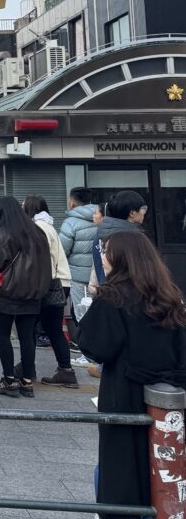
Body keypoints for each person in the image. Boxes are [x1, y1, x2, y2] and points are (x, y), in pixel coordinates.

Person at [79, 231, 186, 519]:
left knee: (123, 470)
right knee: (164, 468)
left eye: (107, 252)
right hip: (168, 399)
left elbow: (95, 346)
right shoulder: (169, 294)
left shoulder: (113, 296)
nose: (102, 256)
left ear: (121, 258)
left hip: (124, 394)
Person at [0, 196, 51, 398]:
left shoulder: (2, 232)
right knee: (27, 337)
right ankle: (27, 381)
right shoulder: (37, 232)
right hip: (33, 294)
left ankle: (8, 379)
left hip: (9, 292)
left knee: (4, 336)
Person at [23, 195, 78, 388]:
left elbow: (42, 259)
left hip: (48, 283)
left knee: (28, 325)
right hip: (60, 281)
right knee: (53, 329)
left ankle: (27, 368)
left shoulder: (39, 227)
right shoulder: (48, 225)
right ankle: (66, 371)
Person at [59, 187, 99, 331]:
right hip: (102, 277)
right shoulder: (102, 218)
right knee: (100, 314)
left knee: (83, 313)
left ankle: (88, 351)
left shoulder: (70, 223)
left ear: (72, 203)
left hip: (79, 278)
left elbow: (62, 251)